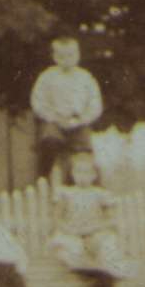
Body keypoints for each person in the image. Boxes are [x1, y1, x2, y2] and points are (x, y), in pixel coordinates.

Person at [48, 149, 134, 287]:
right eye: (78, 171)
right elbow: (57, 219)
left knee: (106, 245)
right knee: (66, 248)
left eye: (87, 172)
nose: (82, 176)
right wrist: (69, 230)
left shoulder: (100, 194)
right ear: (72, 173)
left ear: (94, 175)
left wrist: (93, 230)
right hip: (72, 233)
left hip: (94, 232)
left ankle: (103, 275)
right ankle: (93, 270)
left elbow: (111, 220)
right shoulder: (66, 193)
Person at [30, 37, 104, 180]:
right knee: (49, 142)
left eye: (71, 55)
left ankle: (84, 184)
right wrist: (53, 117)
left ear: (78, 55)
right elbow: (38, 101)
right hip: (54, 120)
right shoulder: (47, 77)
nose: (67, 60)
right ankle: (43, 178)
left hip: (78, 121)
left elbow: (95, 104)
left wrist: (82, 119)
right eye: (62, 56)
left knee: (84, 152)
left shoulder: (85, 78)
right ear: (54, 57)